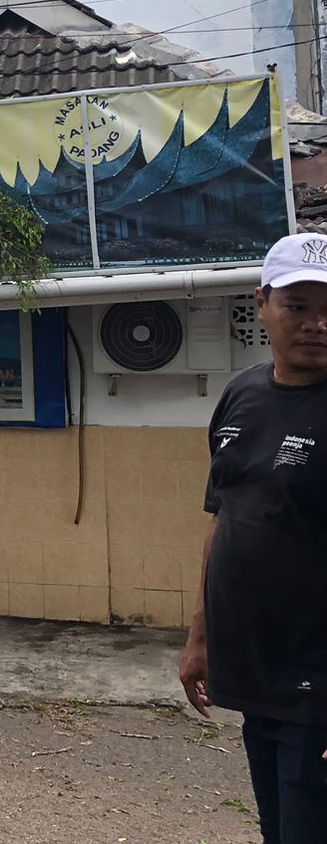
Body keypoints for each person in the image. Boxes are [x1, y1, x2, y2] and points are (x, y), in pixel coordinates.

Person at [180, 233, 327, 843]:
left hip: (318, 685)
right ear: (262, 304)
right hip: (257, 675)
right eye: (299, 307)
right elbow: (225, 520)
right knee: (278, 830)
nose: (317, 325)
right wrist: (199, 637)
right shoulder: (241, 394)